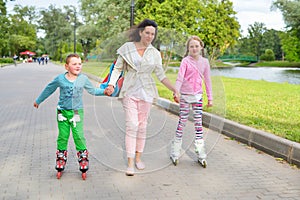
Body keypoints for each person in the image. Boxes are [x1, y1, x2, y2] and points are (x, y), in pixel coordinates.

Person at [105, 19, 180, 176]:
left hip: (146, 92)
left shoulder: (155, 53)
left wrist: (174, 89)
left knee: (142, 126)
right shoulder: (127, 48)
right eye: (147, 33)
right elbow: (118, 69)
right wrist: (111, 84)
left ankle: (139, 158)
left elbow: (160, 75)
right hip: (130, 91)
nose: (150, 36)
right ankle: (130, 162)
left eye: (153, 34)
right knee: (132, 125)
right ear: (140, 32)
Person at [33, 53, 105, 179]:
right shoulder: (60, 79)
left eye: (79, 63)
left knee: (78, 135)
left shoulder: (83, 79)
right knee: (63, 136)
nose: (78, 66)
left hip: (77, 112)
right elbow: (49, 89)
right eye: (74, 64)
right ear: (67, 66)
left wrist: (105, 91)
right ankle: (61, 157)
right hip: (62, 112)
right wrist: (39, 100)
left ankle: (83, 158)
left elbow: (93, 91)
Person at [170, 36, 213, 168]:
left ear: (201, 47)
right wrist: (176, 92)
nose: (194, 48)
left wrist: (210, 98)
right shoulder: (185, 61)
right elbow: (179, 78)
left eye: (196, 46)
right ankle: (175, 151)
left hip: (198, 97)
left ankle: (201, 153)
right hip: (185, 96)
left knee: (198, 124)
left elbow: (207, 80)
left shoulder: (205, 62)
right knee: (182, 121)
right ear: (188, 49)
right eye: (191, 46)